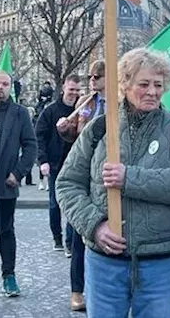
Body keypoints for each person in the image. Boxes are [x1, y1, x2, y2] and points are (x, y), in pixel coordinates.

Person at [56, 47, 170, 318]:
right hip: (104, 263)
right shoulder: (99, 129)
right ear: (125, 85)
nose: (152, 92)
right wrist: (95, 226)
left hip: (161, 263)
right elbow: (67, 183)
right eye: (144, 84)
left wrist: (130, 178)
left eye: (158, 85)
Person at [56, 60, 107, 311]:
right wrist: (65, 130)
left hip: (107, 174)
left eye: (97, 76)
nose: (92, 81)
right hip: (85, 173)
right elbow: (75, 138)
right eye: (90, 77)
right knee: (79, 234)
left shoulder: (120, 104)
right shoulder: (85, 102)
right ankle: (77, 291)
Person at [0, 70, 37, 298]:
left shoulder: (19, 113)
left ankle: (9, 276)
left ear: (11, 88)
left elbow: (30, 146)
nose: (0, 87)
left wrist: (17, 174)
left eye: (5, 84)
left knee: (6, 231)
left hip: (6, 185)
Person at [36, 75, 80, 253]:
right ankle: (57, 238)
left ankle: (70, 242)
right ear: (64, 88)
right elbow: (39, 135)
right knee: (55, 203)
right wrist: (42, 160)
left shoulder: (83, 109)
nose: (74, 94)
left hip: (76, 165)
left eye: (77, 90)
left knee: (73, 203)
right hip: (55, 163)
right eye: (71, 90)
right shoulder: (51, 110)